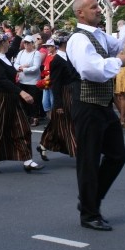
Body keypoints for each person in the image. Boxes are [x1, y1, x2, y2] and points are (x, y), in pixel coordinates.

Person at [66, 0, 125, 231]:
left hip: (102, 104)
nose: (99, 10)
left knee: (117, 155)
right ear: (81, 14)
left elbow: (123, 44)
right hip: (87, 105)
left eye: (98, 6)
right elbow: (91, 69)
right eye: (94, 7)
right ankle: (89, 213)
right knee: (88, 159)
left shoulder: (99, 35)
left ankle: (90, 200)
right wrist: (117, 62)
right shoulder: (78, 39)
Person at [0, 33, 43, 173]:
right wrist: (21, 92)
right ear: (2, 43)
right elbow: (2, 81)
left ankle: (27, 160)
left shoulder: (4, 56)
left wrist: (19, 26)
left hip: (10, 98)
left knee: (22, 127)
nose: (9, 43)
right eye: (7, 41)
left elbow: (16, 44)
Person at [38, 31, 78, 160]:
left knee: (58, 123)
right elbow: (55, 83)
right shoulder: (56, 60)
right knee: (69, 123)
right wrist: (58, 103)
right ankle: (77, 151)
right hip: (64, 94)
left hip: (72, 92)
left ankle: (44, 144)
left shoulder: (69, 56)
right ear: (64, 42)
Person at [14, 35, 42, 126]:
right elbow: (16, 63)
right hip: (22, 80)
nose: (26, 44)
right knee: (23, 100)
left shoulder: (36, 53)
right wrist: (19, 67)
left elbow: (36, 67)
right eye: (25, 42)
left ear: (32, 44)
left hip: (33, 81)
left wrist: (24, 69)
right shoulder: (21, 52)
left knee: (33, 100)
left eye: (28, 43)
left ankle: (35, 117)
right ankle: (26, 117)